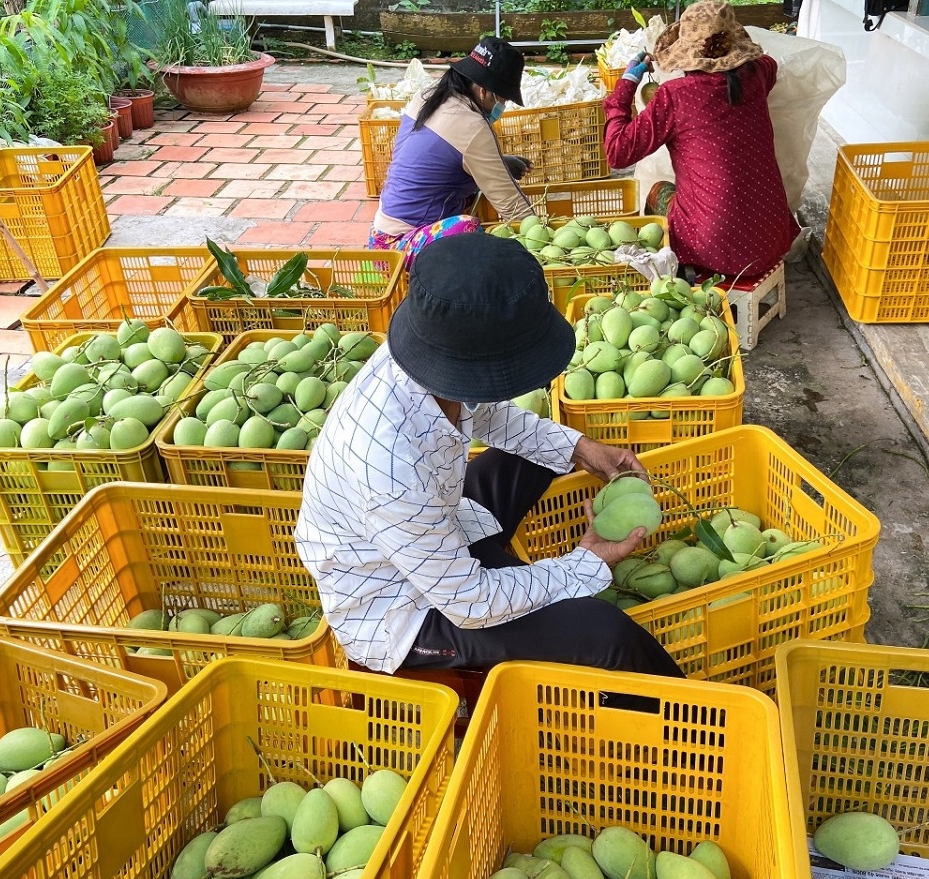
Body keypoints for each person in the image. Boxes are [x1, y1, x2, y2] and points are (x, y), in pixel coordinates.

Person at [294, 232, 685, 679]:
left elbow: (483, 413)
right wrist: (586, 563)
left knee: (538, 454)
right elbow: (471, 601)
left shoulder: (425, 350)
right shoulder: (391, 468)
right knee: (606, 635)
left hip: (437, 529)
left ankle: (531, 573)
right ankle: (699, 737)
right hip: (405, 610)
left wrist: (580, 449)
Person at [602, 0, 800, 283]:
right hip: (772, 237)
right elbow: (767, 62)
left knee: (659, 190)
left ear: (686, 50)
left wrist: (626, 84)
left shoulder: (675, 96)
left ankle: (679, 274)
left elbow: (617, 152)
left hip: (713, 248)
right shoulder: (757, 75)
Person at [368, 37, 537, 269]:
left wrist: (500, 162)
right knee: (468, 227)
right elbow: (510, 205)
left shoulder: (429, 96)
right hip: (399, 248)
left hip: (379, 235)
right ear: (483, 91)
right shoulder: (473, 126)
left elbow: (437, 158)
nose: (501, 107)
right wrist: (542, 240)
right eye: (502, 99)